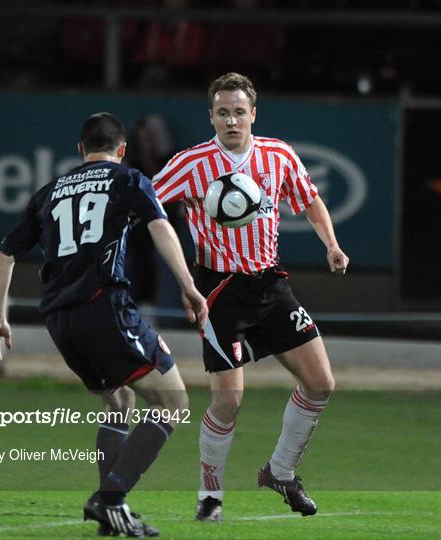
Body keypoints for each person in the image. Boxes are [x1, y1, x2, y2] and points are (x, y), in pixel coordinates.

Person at [0, 112, 208, 537]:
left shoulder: (48, 192)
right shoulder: (127, 179)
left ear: (80, 150)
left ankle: (111, 513)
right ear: (122, 151)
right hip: (104, 305)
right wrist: (188, 286)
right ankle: (111, 498)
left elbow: (3, 256)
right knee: (173, 403)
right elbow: (161, 226)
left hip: (59, 319)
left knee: (120, 402)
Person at [153, 72, 349, 522]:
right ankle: (210, 497)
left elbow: (311, 200)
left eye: (239, 111)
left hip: (270, 284)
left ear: (253, 114)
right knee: (228, 401)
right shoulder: (191, 164)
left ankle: (280, 471)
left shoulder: (278, 155)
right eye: (223, 112)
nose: (232, 120)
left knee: (321, 383)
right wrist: (184, 278)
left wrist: (332, 245)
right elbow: (148, 203)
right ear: (212, 117)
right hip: (220, 292)